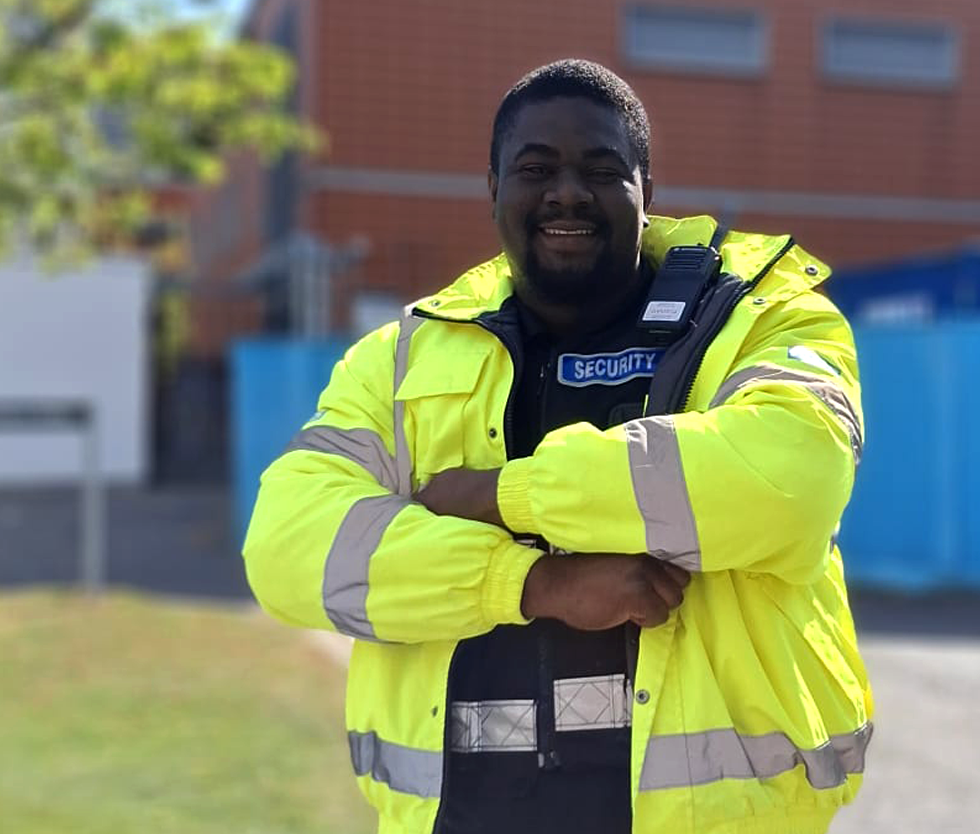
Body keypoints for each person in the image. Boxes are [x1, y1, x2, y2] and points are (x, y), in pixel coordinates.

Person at [243, 58, 871, 834]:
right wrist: (536, 582)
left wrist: (501, 496)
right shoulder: (405, 355)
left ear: (648, 193)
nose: (567, 192)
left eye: (602, 170)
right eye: (537, 168)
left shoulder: (762, 316)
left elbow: (790, 480)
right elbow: (287, 546)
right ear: (494, 190)